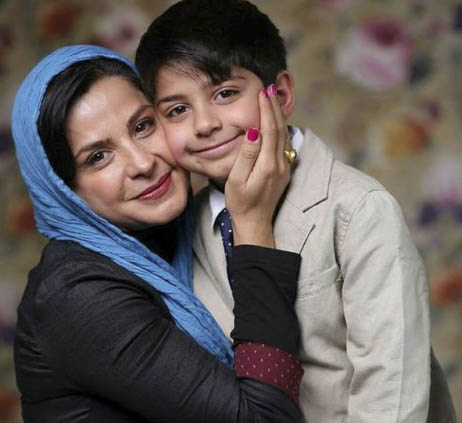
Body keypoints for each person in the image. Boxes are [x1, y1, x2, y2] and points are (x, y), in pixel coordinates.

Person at [135, 1, 457, 422]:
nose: (204, 124)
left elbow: (392, 394)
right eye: (177, 110)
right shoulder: (184, 227)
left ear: (281, 94)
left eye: (225, 93)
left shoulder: (357, 209)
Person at [11, 44, 306, 422]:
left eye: (142, 126)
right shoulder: (75, 296)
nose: (142, 163)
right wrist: (252, 225)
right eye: (98, 157)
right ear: (64, 190)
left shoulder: (184, 230)